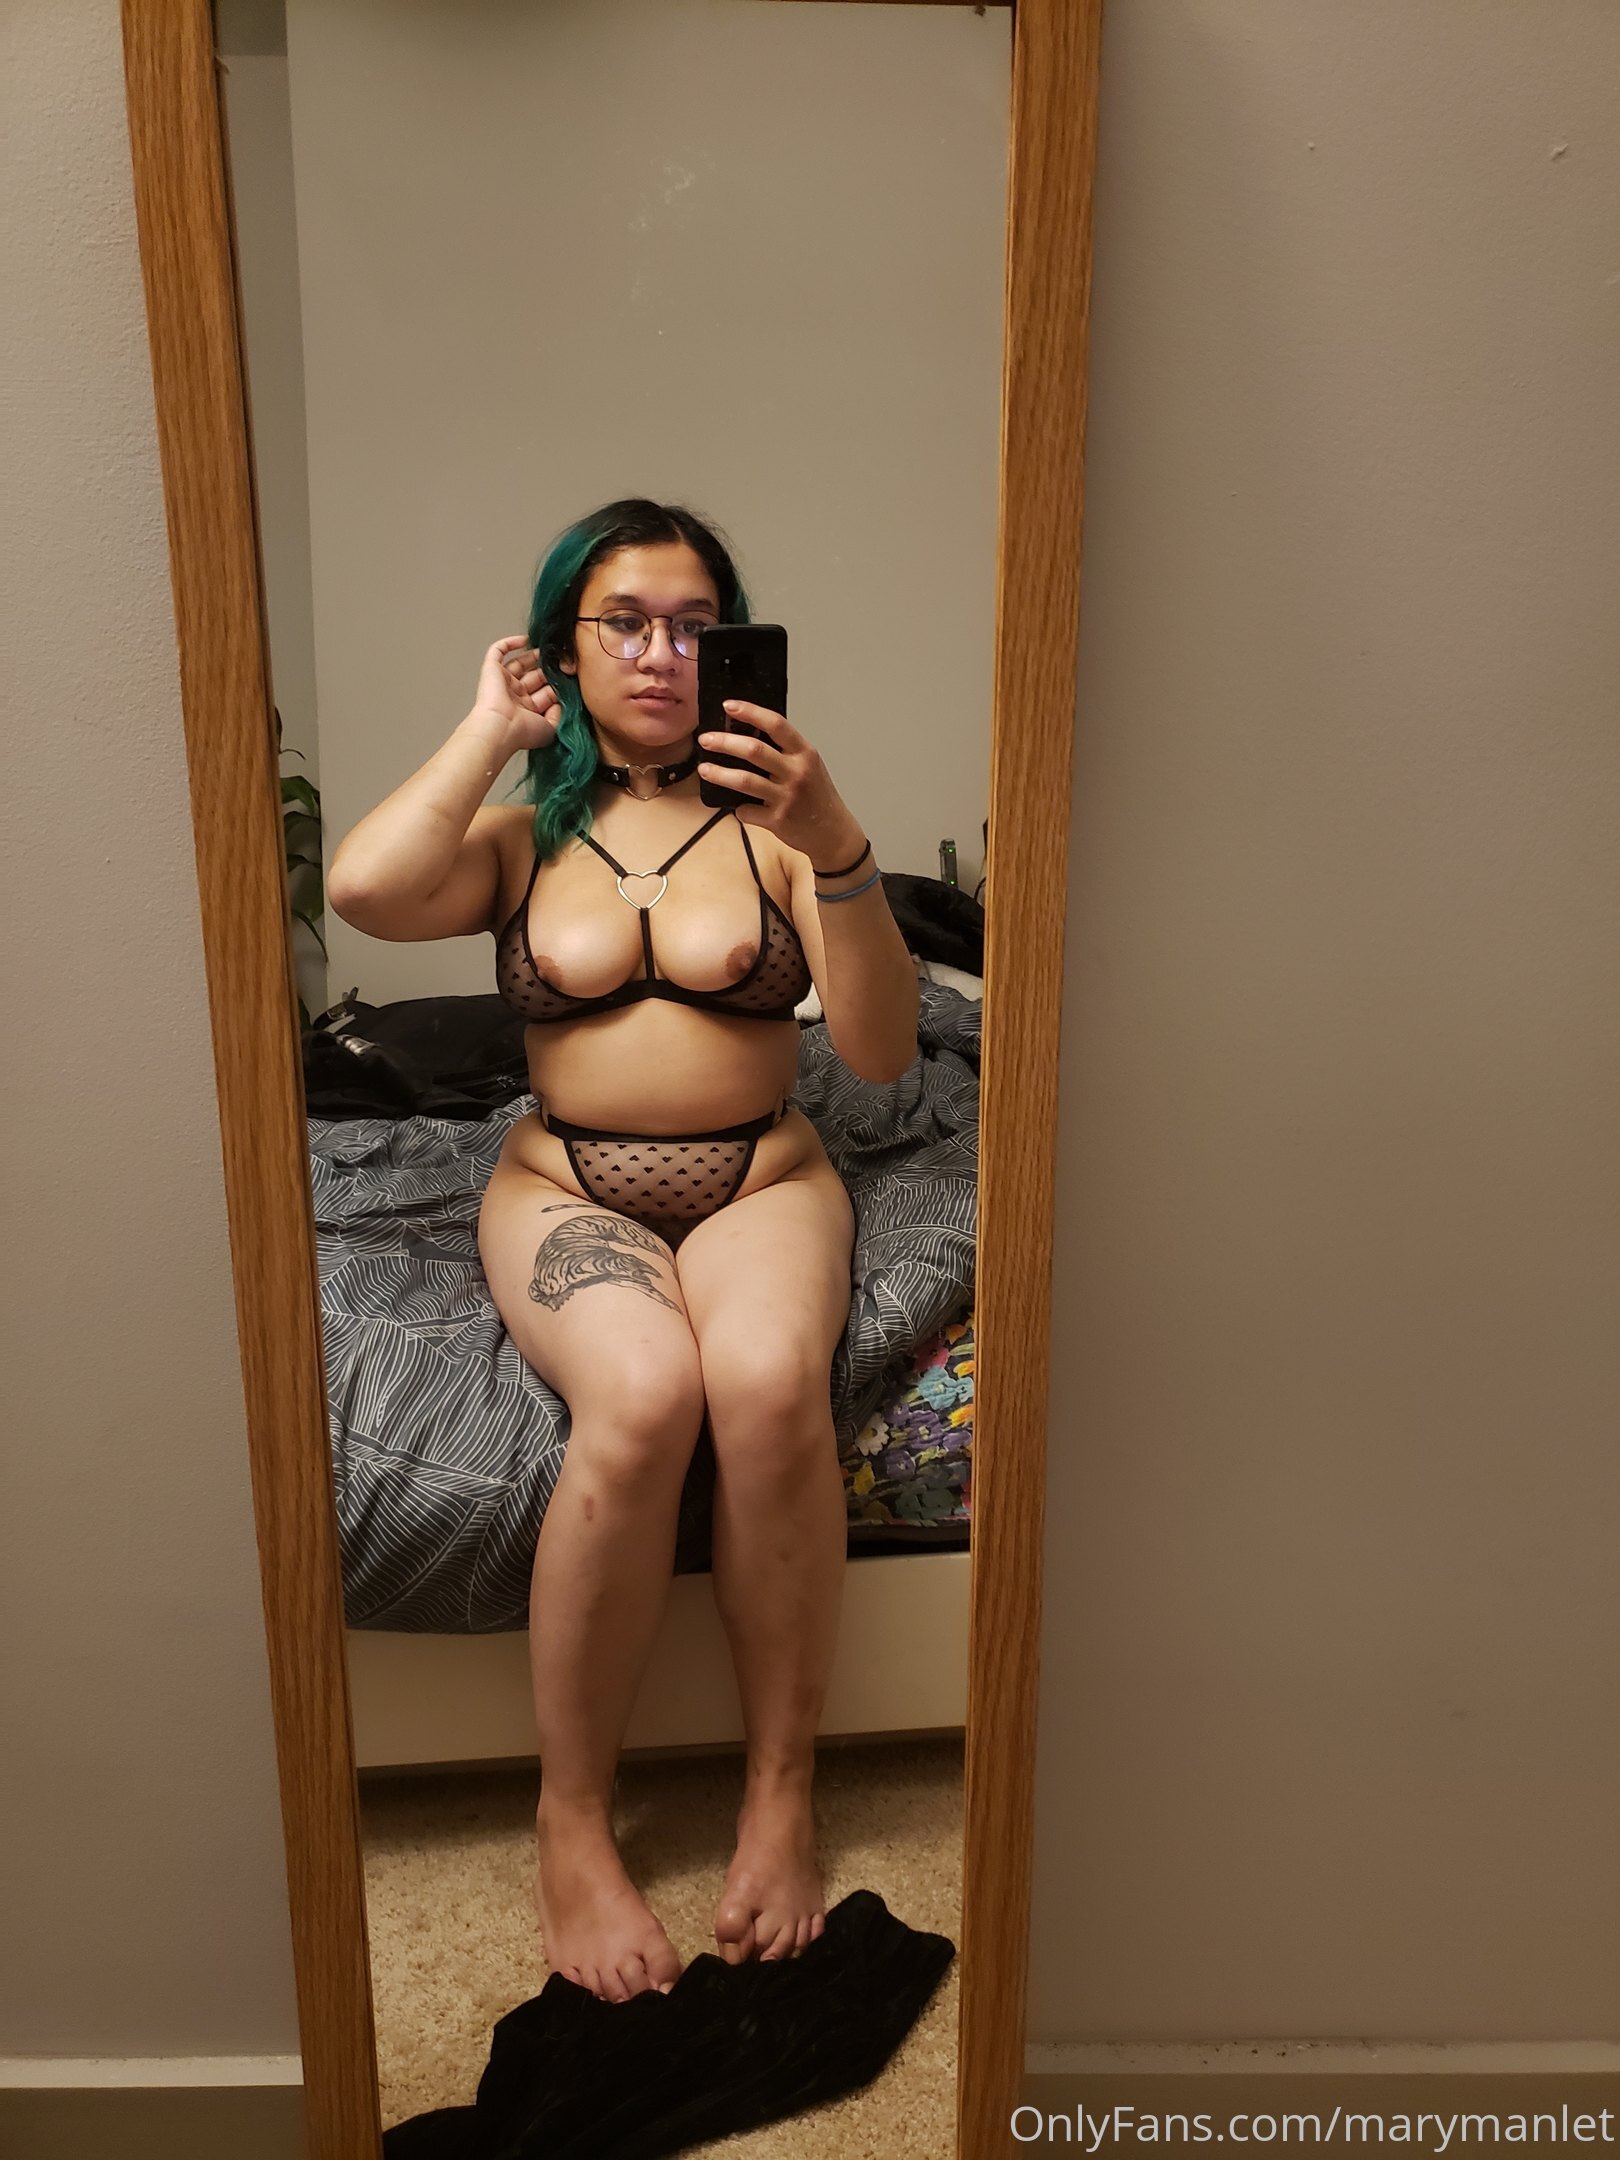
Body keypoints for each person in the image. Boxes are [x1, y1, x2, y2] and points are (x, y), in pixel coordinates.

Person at [326, 499, 919, 2006]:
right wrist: (490, 730)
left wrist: (842, 847)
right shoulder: (520, 841)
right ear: (566, 647)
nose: (663, 652)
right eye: (626, 623)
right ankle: (572, 1819)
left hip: (764, 1178)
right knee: (644, 1393)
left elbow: (880, 1049)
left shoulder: (784, 834)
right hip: (562, 1185)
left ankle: (781, 1789)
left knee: (769, 1385)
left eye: (696, 625)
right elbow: (366, 890)